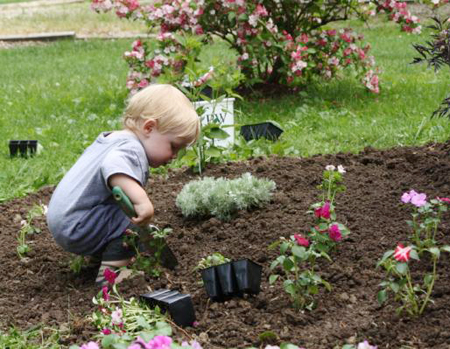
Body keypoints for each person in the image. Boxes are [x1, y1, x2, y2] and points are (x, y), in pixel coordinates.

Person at [46, 84, 200, 286]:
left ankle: (101, 256)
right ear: (149, 127)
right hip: (78, 225)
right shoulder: (132, 148)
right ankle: (112, 276)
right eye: (173, 146)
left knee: (116, 213)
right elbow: (112, 166)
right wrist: (141, 200)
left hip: (65, 219)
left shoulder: (113, 139)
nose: (174, 156)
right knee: (130, 225)